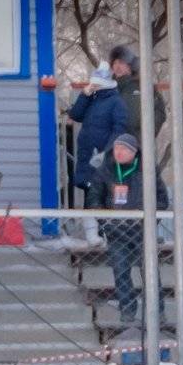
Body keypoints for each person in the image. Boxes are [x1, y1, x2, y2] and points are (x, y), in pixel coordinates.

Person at [85, 133, 167, 325]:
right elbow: (94, 199)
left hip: (142, 232)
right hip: (116, 232)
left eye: (123, 149)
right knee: (121, 273)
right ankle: (127, 311)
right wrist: (106, 223)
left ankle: (157, 312)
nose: (118, 152)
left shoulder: (147, 169)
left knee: (150, 274)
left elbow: (162, 200)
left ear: (133, 151)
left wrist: (147, 221)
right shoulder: (105, 170)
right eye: (116, 148)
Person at [67, 63, 128, 206]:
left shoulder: (116, 102)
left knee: (100, 197)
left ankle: (102, 228)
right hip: (87, 156)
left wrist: (106, 153)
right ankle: (91, 227)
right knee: (90, 196)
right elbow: (76, 115)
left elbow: (119, 130)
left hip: (102, 160)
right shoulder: (92, 99)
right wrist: (84, 95)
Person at [108, 44, 167, 144]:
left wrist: (145, 136)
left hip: (137, 145)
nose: (117, 66)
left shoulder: (144, 86)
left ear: (130, 65)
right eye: (115, 63)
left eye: (121, 62)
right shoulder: (107, 89)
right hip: (111, 145)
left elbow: (159, 111)